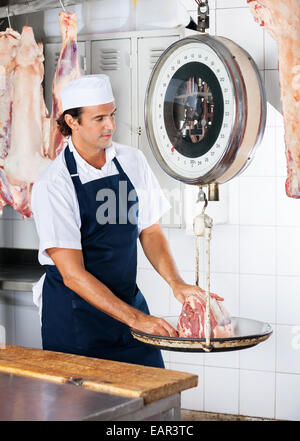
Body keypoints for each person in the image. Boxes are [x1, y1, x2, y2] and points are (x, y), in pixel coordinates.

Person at [32, 74, 222, 368]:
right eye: (98, 118)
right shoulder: (53, 185)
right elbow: (73, 275)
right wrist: (137, 319)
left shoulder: (132, 161)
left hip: (127, 307)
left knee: (151, 401)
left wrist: (177, 283)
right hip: (75, 322)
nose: (109, 125)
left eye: (111, 115)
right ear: (72, 122)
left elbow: (150, 229)